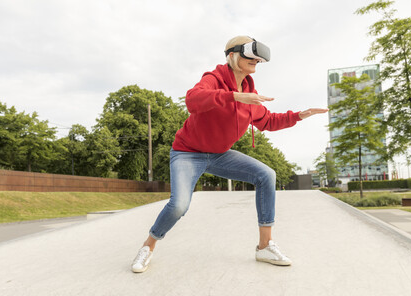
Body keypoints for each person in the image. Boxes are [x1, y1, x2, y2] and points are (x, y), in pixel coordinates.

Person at [131, 35, 328, 273]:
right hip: (187, 153)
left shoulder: (249, 92)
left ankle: (264, 246)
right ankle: (148, 246)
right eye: (250, 55)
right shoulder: (213, 79)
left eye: (258, 58)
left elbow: (268, 121)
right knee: (179, 205)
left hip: (219, 155)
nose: (256, 61)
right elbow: (193, 100)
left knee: (267, 175)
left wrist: (300, 115)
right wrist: (233, 96)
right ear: (232, 56)